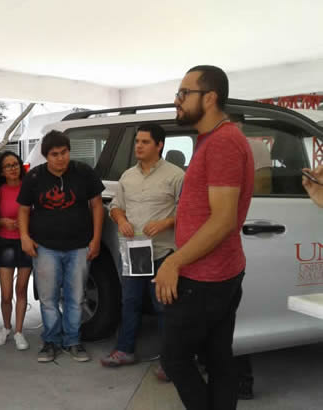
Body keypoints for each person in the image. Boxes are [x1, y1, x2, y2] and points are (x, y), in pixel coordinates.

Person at [155, 65, 254, 410]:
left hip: (205, 278)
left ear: (209, 98)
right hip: (218, 272)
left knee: (174, 358)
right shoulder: (213, 139)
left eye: (184, 93)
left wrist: (174, 262)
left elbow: (224, 219)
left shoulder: (223, 142)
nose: (177, 100)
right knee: (218, 357)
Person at [100, 124, 183, 381]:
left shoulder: (176, 176)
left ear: (159, 145)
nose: (138, 146)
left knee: (164, 307)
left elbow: (187, 212)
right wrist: (120, 219)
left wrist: (165, 222)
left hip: (163, 252)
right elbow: (116, 206)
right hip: (134, 251)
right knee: (131, 302)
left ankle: (171, 361)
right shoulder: (127, 176)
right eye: (137, 141)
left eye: (145, 142)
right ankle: (125, 350)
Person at [17, 130, 105, 363]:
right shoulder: (34, 177)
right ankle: (51, 341)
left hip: (79, 246)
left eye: (64, 152)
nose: (60, 158)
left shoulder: (84, 172)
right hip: (44, 247)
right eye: (54, 154)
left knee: (76, 297)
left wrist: (96, 239)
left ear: (69, 151)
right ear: (46, 156)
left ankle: (73, 341)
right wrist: (24, 236)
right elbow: (23, 209)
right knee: (48, 298)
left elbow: (97, 205)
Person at [0, 152, 32, 350]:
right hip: (5, 243)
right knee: (6, 294)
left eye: (15, 164)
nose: (12, 168)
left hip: (25, 243)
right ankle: (6, 327)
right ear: (2, 171)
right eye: (7, 166)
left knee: (21, 290)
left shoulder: (29, 188)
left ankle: (18, 331)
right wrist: (2, 221)